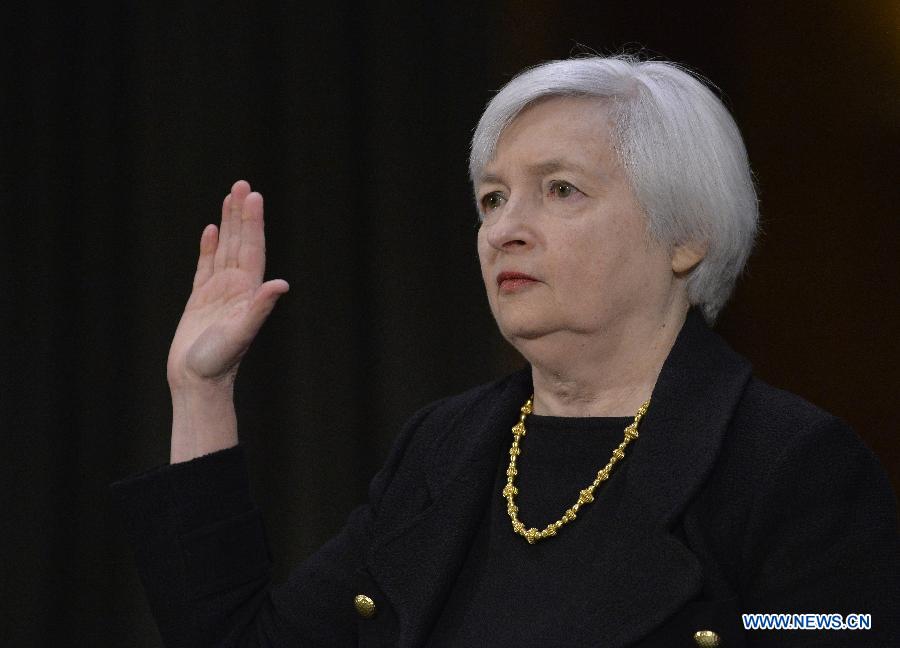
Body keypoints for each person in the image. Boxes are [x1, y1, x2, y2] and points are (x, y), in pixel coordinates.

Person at [113, 55, 900, 646]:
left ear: (686, 234)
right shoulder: (444, 451)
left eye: (561, 189)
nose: (504, 229)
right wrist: (201, 390)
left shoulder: (790, 464)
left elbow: (830, 625)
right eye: (493, 198)